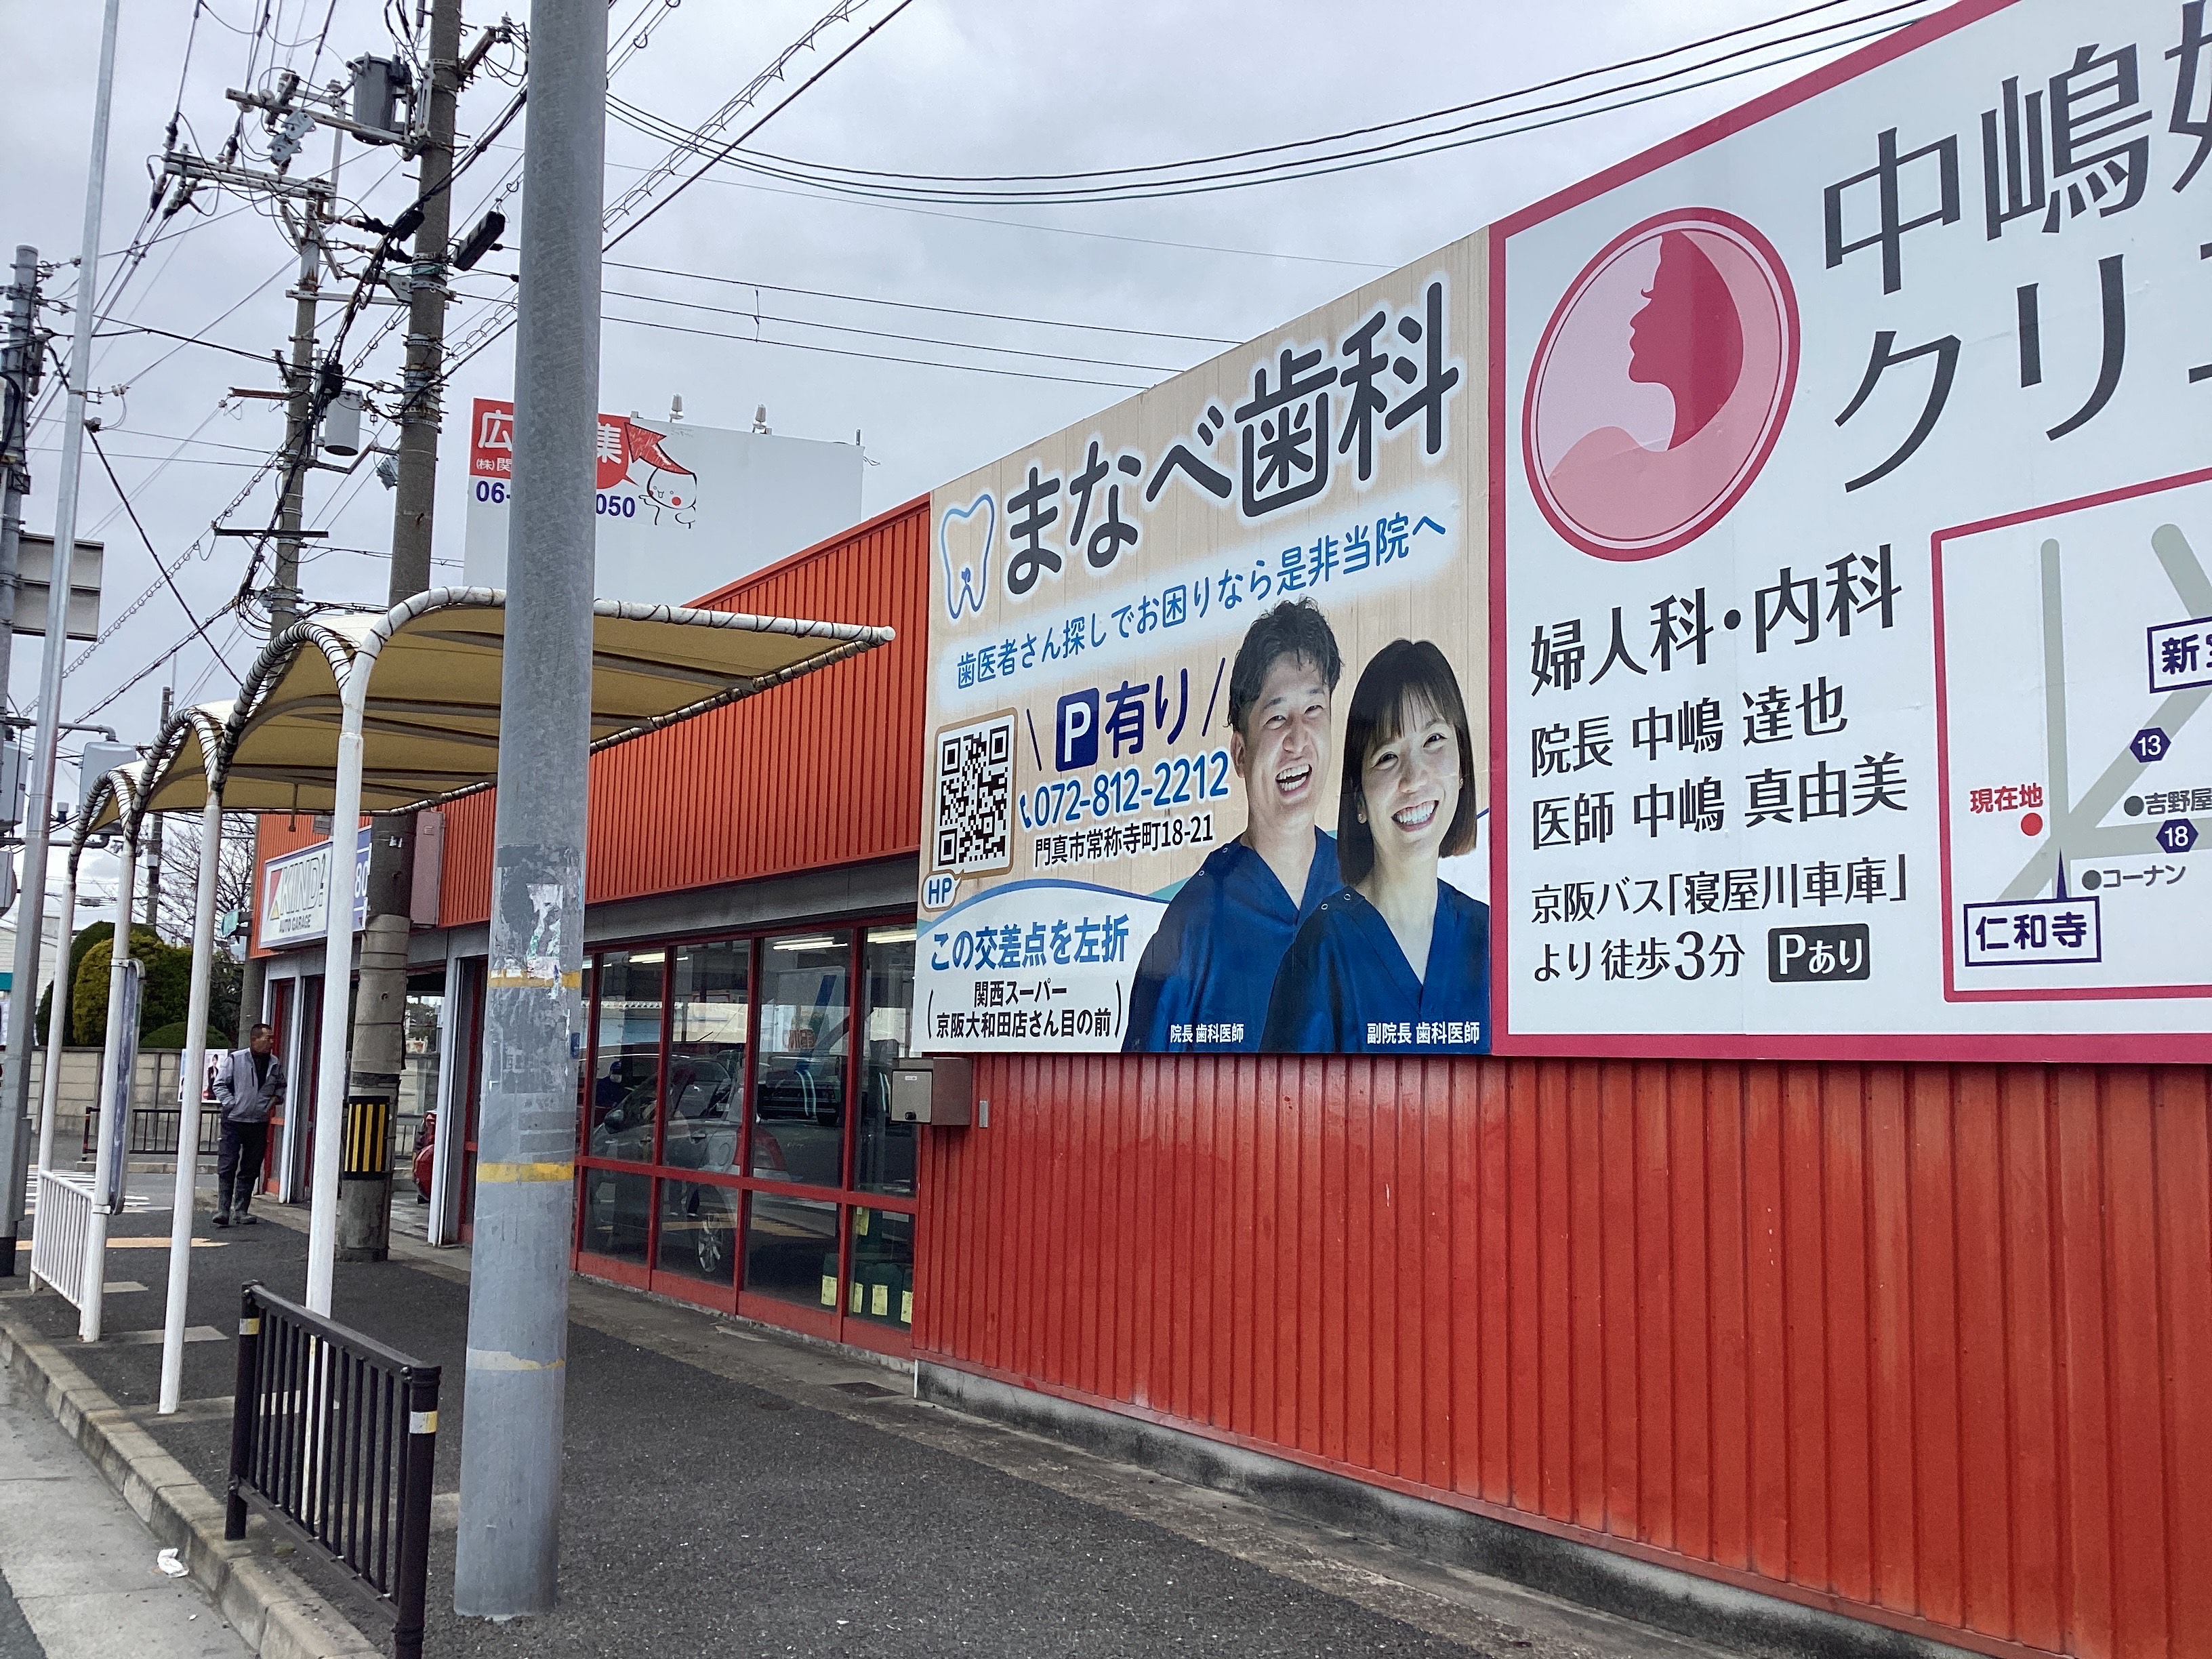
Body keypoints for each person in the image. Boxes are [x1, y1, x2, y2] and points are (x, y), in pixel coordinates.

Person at [1124, 598, 1344, 1052]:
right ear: (1241, 754)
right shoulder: (1194, 924)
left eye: (1314, 710)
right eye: (1277, 717)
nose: (1298, 739)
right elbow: (1140, 1088)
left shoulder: (1366, 889)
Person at [1261, 639, 1490, 1054]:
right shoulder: (1321, 953)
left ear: (1462, 768)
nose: (1414, 779)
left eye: (1434, 740)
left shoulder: (1491, 939)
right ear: (1360, 802)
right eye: (1387, 757)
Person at [211, 1023, 285, 1226]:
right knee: (228, 1164)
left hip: (258, 1121)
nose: (272, 1042)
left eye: (272, 1038)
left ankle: (241, 1210)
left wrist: (274, 1100)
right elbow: (219, 1084)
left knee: (251, 1166)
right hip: (234, 1120)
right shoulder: (236, 1059)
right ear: (254, 1040)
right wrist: (231, 1103)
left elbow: (281, 1085)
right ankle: (223, 1209)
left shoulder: (274, 1063)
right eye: (268, 1038)